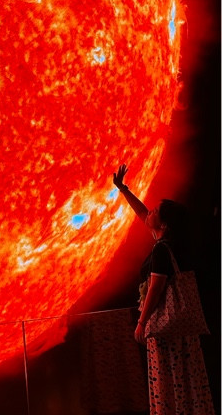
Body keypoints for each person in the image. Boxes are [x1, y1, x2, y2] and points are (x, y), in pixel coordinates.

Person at [113, 164, 215, 415]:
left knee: (170, 377)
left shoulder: (161, 250)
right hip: (182, 327)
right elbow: (142, 213)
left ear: (165, 224)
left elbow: (156, 288)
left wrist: (142, 322)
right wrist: (124, 190)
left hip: (166, 327)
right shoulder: (171, 244)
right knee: (188, 377)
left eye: (156, 211)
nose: (150, 212)